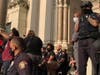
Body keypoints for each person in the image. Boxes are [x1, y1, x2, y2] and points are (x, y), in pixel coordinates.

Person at [76, 1, 100, 75]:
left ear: (90, 7)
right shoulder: (81, 17)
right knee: (81, 65)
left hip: (91, 41)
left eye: (85, 7)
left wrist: (88, 18)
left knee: (96, 62)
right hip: (81, 42)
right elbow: (76, 30)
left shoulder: (95, 15)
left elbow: (95, 24)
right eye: (83, 7)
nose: (84, 9)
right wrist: (78, 20)